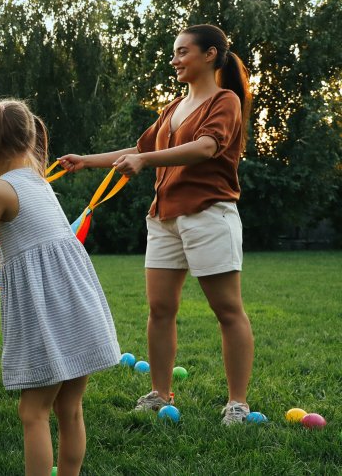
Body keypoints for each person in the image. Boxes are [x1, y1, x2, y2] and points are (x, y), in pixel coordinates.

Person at [58, 23, 254, 425]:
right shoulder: (172, 108)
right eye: (175, 52)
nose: (175, 59)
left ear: (210, 54)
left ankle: (237, 402)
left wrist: (146, 161)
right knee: (159, 309)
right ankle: (159, 392)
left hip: (208, 213)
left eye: (183, 52)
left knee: (227, 309)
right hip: (163, 217)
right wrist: (86, 160)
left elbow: (206, 147)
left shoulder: (225, 100)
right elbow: (142, 149)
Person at [0, 99, 119, 476]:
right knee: (69, 408)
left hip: (48, 310)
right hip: (77, 303)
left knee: (32, 412)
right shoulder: (39, 184)